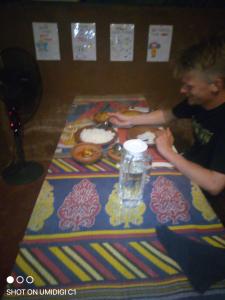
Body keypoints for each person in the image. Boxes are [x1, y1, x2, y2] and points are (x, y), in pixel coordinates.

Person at [109, 34, 225, 197]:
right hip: (188, 163)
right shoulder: (200, 100)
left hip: (204, 185)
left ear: (216, 85)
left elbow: (214, 184)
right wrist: (129, 120)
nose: (182, 91)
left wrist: (168, 151)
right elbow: (167, 115)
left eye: (189, 86)